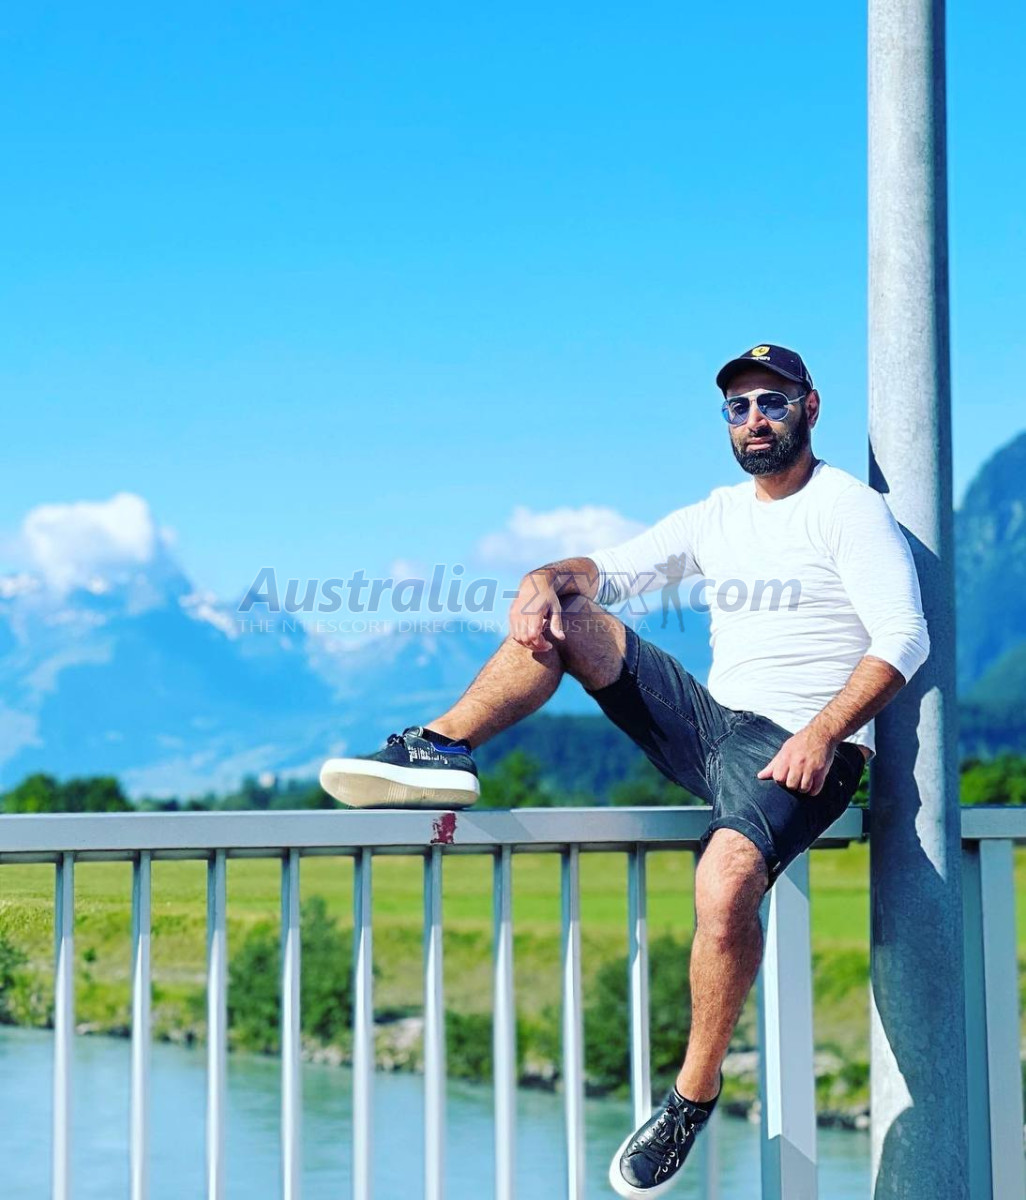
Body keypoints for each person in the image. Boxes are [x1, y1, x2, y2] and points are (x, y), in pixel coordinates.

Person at [319, 343, 930, 1198]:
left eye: (773, 402)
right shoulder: (718, 514)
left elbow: (904, 636)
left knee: (725, 883)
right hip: (714, 727)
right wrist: (540, 581)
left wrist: (826, 732)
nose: (755, 420)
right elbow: (609, 571)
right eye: (739, 407)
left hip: (801, 745)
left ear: (810, 407)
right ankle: (443, 745)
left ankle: (691, 1097)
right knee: (567, 611)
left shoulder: (847, 507)